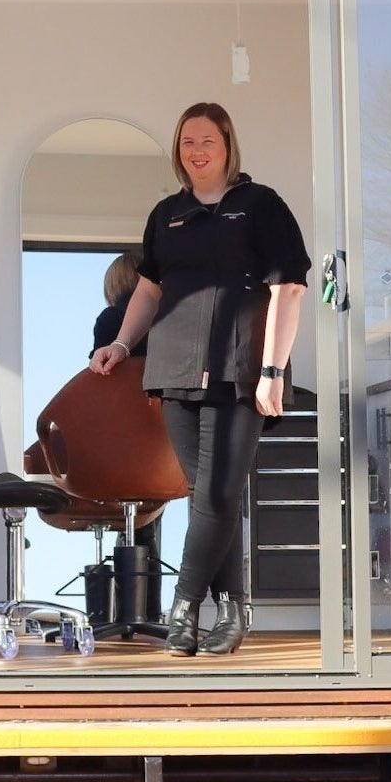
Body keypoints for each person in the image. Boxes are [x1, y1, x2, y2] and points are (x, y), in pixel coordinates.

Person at [89, 102, 310, 657]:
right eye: (188, 141)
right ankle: (233, 611)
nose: (197, 151)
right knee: (209, 497)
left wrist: (273, 370)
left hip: (242, 371)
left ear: (228, 145)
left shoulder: (261, 206)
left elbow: (289, 289)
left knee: (216, 493)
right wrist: (121, 344)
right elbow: (149, 290)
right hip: (176, 370)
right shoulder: (167, 215)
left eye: (207, 140)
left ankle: (183, 608)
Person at [88, 250, 162, 620]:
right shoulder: (167, 319)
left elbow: (99, 384)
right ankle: (148, 613)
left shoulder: (109, 321)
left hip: (120, 441)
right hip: (161, 439)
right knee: (150, 518)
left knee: (133, 517)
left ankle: (122, 614)